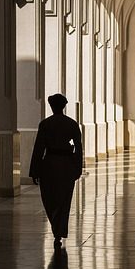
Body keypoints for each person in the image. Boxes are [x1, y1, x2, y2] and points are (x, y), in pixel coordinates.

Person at [29, 93, 83, 248]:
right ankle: (59, 229)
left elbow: (39, 148)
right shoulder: (71, 124)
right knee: (64, 199)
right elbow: (78, 148)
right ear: (64, 106)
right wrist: (77, 167)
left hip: (49, 165)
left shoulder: (45, 124)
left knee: (49, 198)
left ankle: (56, 228)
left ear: (51, 106)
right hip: (66, 164)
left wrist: (35, 170)